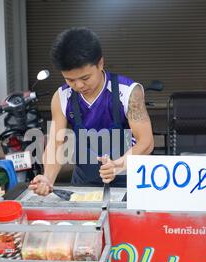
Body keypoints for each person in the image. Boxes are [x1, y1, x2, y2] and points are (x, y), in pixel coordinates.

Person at [30, 27, 154, 196]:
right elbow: (56, 144)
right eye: (70, 80)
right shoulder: (61, 97)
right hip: (83, 185)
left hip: (128, 182)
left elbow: (146, 142)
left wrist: (118, 165)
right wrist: (47, 178)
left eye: (85, 78)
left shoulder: (129, 92)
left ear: (100, 63)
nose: (79, 86)